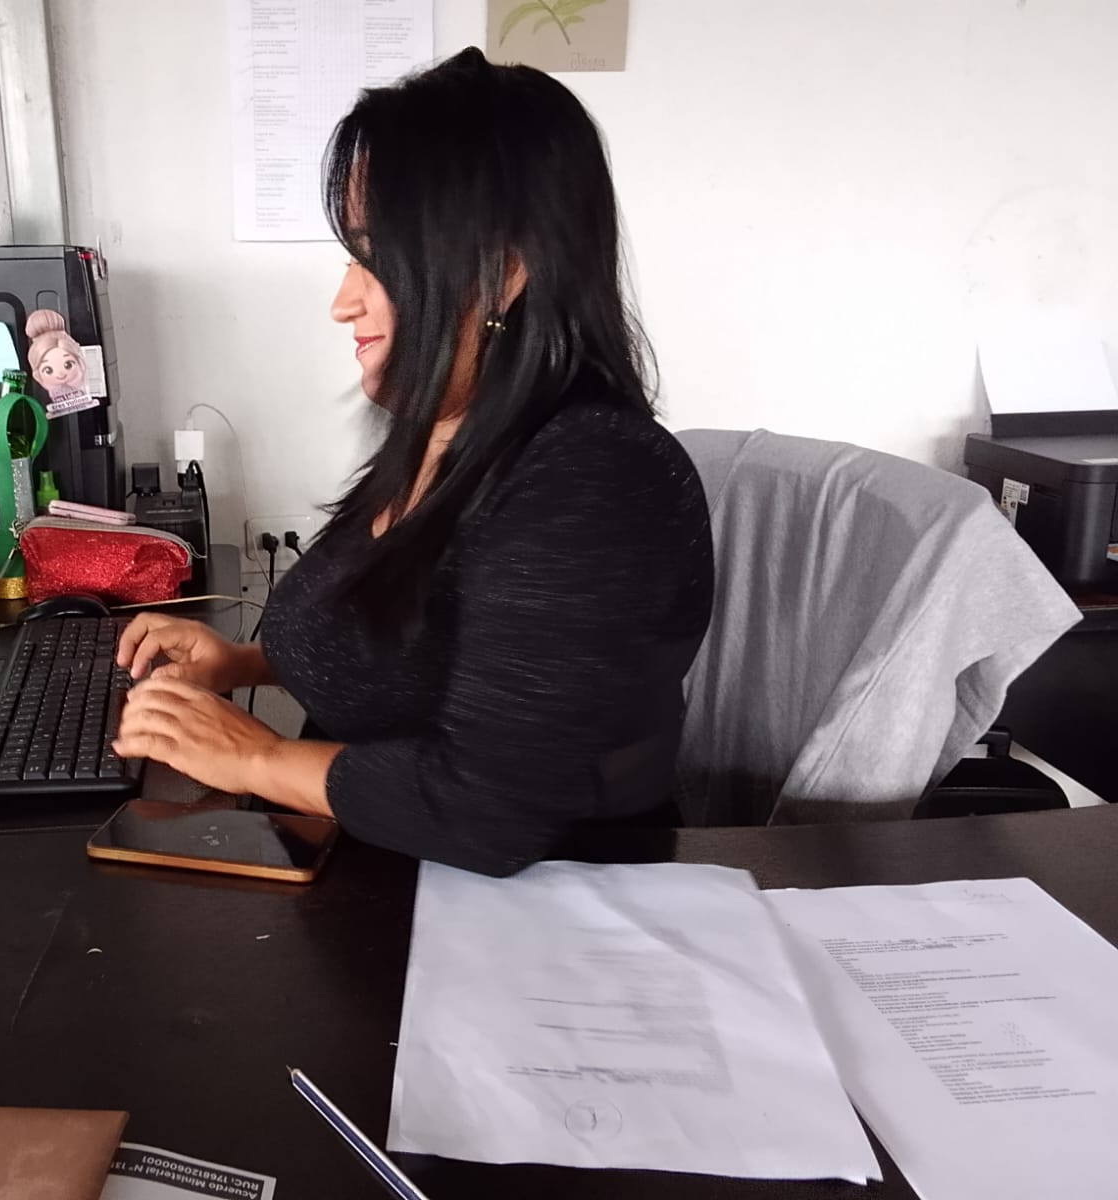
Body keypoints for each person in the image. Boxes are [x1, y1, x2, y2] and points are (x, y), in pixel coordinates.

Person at [114, 48, 713, 877]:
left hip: (538, 908)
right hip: (382, 873)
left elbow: (488, 814)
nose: (343, 302)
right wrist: (244, 664)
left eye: (375, 258)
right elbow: (414, 644)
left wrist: (251, 756)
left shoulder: (593, 479)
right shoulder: (449, 434)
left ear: (503, 271)